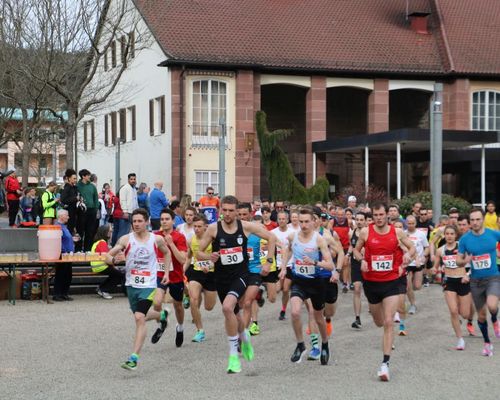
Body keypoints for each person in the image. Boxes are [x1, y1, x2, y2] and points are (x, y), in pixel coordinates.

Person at [197, 195, 276, 374]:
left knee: (227, 308)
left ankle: (233, 356)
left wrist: (268, 261)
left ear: (236, 212)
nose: (227, 214)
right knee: (234, 315)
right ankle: (244, 337)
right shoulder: (213, 229)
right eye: (224, 210)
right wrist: (210, 256)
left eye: (231, 210)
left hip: (241, 275)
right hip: (221, 278)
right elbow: (199, 253)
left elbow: (271, 237)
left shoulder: (245, 227)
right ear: (220, 211)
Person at [353, 202, 415, 381]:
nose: (379, 218)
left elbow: (411, 247)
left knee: (388, 321)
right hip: (372, 283)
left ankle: (385, 364)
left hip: (392, 282)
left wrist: (407, 255)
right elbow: (356, 251)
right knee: (379, 322)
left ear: (387, 215)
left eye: (381, 215)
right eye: (376, 215)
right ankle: (384, 360)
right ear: (372, 216)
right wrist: (361, 260)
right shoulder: (366, 232)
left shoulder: (397, 232)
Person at [105, 208, 172, 371]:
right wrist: (114, 259)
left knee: (139, 317)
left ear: (147, 222)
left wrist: (167, 273)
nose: (136, 224)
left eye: (140, 221)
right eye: (134, 221)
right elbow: (108, 256)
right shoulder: (126, 239)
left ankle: (133, 358)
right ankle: (162, 315)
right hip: (131, 285)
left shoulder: (156, 239)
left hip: (149, 284)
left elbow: (167, 253)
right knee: (139, 314)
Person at [279, 207, 336, 365]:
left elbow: (330, 265)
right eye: (301, 222)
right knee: (295, 312)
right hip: (299, 281)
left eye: (306, 222)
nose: (303, 225)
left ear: (313, 222)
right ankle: (300, 345)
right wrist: (284, 267)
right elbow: (287, 250)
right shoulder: (293, 236)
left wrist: (315, 262)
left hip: (316, 283)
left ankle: (324, 343)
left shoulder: (319, 239)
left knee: (318, 317)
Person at [457, 208, 500, 357]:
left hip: (493, 277)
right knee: (481, 316)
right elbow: (458, 260)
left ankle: (495, 319)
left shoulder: (493, 234)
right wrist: (465, 261)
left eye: (477, 219)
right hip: (476, 281)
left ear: (483, 219)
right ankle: (487, 343)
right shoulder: (465, 239)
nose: (475, 222)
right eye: (472, 220)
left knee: (493, 305)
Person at [150, 208, 188, 347]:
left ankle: (180, 327)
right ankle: (162, 323)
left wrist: (171, 243)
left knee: (178, 306)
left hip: (176, 276)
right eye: (162, 219)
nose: (164, 222)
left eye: (167, 219)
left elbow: (182, 259)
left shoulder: (179, 237)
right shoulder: (155, 236)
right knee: (157, 302)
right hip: (160, 274)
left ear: (173, 221)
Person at [433, 225, 473, 350]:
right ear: (444, 235)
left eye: (451, 233)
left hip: (463, 281)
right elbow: (435, 267)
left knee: (465, 314)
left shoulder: (463, 247)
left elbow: (473, 263)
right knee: (453, 311)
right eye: (447, 234)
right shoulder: (440, 250)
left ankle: (464, 318)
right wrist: (434, 271)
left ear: (456, 235)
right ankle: (460, 339)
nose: (449, 236)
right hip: (449, 282)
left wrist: (467, 275)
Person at [185, 214, 217, 342]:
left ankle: (203, 293)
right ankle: (200, 331)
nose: (197, 229)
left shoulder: (213, 240)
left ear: (206, 227)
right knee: (193, 299)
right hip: (196, 271)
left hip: (211, 274)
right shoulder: (191, 240)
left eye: (199, 226)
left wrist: (210, 264)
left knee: (209, 307)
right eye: (195, 226)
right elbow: (189, 257)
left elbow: (219, 257)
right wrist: (183, 270)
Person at [91, 224, 125, 300]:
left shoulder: (99, 242)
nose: (111, 232)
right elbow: (106, 257)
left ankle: (101, 288)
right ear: (105, 232)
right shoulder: (102, 242)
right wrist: (114, 262)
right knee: (120, 275)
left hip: (100, 265)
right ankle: (103, 290)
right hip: (101, 266)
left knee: (117, 274)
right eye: (110, 231)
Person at [271, 209, 295, 321]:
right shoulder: (273, 233)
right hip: (277, 263)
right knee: (277, 289)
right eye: (279, 219)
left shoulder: (292, 233)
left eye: (283, 219)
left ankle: (283, 310)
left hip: (289, 264)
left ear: (287, 220)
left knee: (286, 289)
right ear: (277, 220)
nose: (281, 221)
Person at [405, 215, 429, 316]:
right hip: (407, 262)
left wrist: (424, 256)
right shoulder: (404, 234)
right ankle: (412, 304)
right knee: (408, 285)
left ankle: (412, 294)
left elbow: (427, 247)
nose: (411, 225)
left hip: (418, 262)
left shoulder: (421, 234)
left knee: (417, 286)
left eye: (412, 223)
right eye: (409, 223)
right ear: (406, 223)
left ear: (415, 223)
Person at [348, 211, 366, 329]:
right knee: (357, 289)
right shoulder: (351, 233)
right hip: (355, 264)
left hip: (367, 264)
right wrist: (347, 254)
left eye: (361, 220)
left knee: (371, 290)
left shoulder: (369, 233)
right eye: (357, 219)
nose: (359, 222)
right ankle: (357, 318)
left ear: (365, 221)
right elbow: (351, 245)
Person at [53, 209, 74, 301]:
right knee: (61, 274)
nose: (68, 217)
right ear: (61, 216)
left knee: (68, 274)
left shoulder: (64, 227)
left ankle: (64, 293)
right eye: (67, 215)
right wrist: (63, 251)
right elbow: (57, 240)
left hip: (68, 254)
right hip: (62, 254)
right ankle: (57, 294)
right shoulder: (57, 226)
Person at [76, 169, 99, 251]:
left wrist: (96, 209)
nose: (90, 177)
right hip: (81, 211)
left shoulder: (92, 186)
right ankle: (78, 249)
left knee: (90, 231)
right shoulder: (77, 186)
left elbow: (96, 198)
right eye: (88, 175)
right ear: (83, 176)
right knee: (80, 231)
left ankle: (88, 249)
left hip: (92, 211)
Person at [60, 169, 79, 234]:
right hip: (69, 213)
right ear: (69, 178)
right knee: (69, 230)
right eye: (74, 178)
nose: (75, 180)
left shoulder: (74, 187)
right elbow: (63, 199)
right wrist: (75, 198)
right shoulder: (67, 188)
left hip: (74, 212)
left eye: (76, 178)